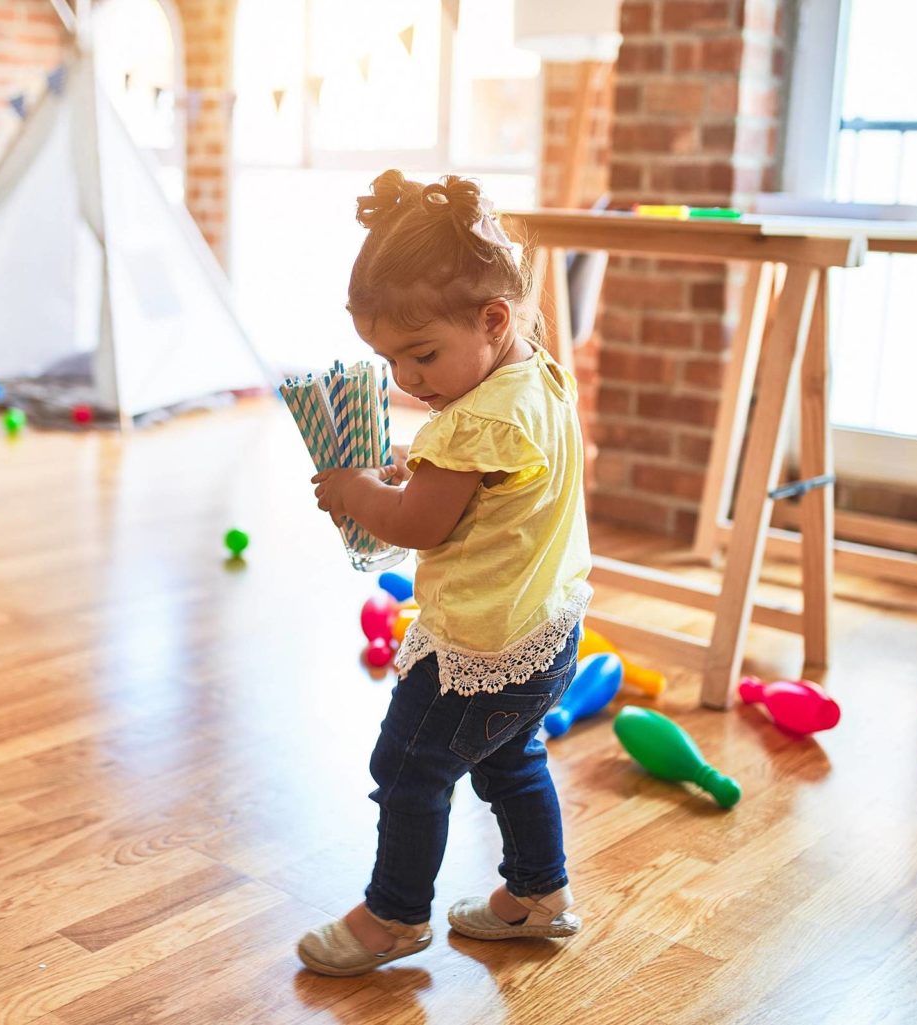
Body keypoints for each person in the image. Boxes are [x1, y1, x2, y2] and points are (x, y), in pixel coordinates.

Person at [296, 170, 593, 977]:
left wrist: (359, 488)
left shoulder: (474, 419)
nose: (406, 379)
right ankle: (539, 894)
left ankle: (393, 915)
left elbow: (423, 521)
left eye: (421, 354)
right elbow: (477, 489)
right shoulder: (534, 375)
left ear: (493, 319)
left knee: (408, 767)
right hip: (546, 630)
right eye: (391, 359)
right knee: (509, 759)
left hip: (481, 647)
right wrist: (408, 467)